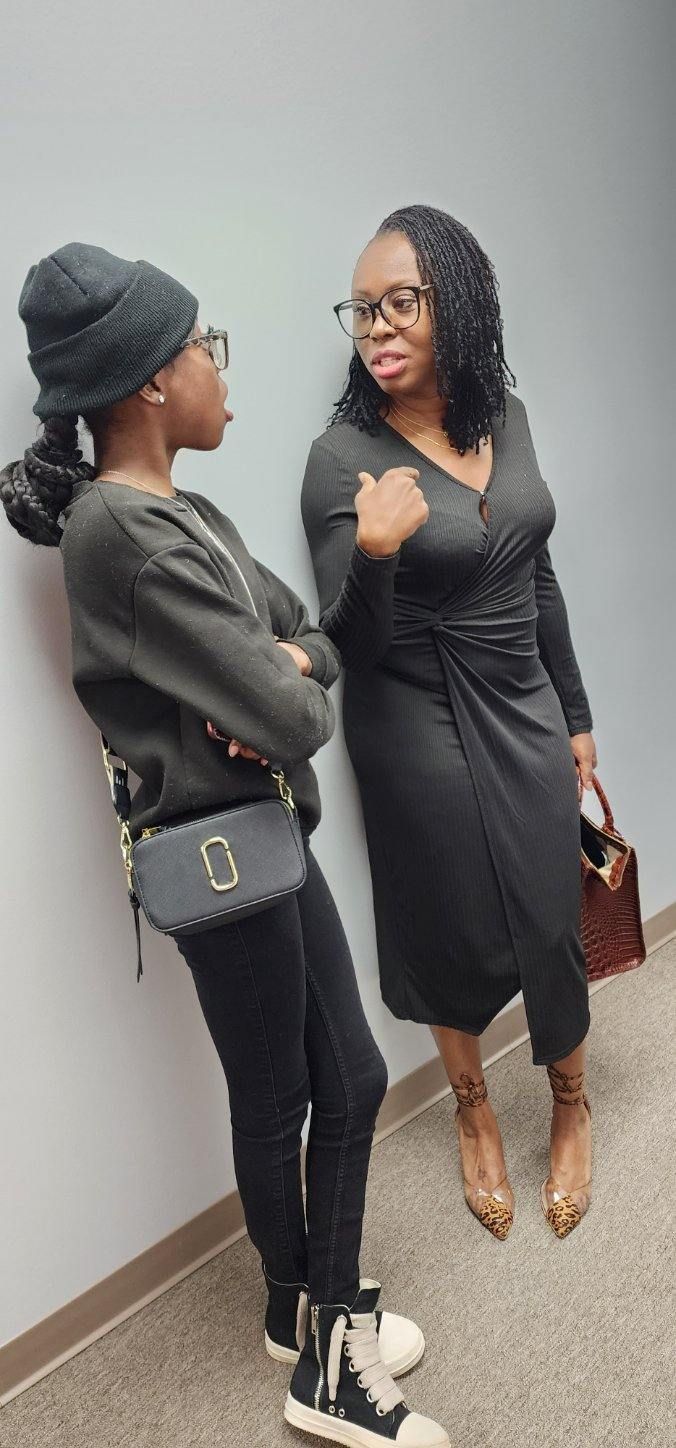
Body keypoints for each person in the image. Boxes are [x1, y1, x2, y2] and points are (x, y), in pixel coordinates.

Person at [1, 242, 450, 1448]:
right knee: (304, 1086)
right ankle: (328, 1365)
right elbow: (301, 708)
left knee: (322, 1079)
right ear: (150, 379)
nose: (213, 364)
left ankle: (296, 1304)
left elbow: (311, 649)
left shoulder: (182, 512)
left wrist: (323, 618)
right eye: (202, 345)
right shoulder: (123, 536)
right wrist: (280, 682)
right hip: (219, 849)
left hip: (259, 826)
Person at [301, 204, 596, 1243]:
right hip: (410, 709)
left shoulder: (504, 416)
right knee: (448, 922)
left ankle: (568, 1100)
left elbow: (536, 568)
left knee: (551, 911)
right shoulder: (340, 460)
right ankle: (472, 1112)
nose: (375, 327)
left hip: (519, 692)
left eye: (399, 303)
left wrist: (575, 709)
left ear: (456, 307)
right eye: (362, 309)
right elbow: (352, 642)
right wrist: (376, 551)